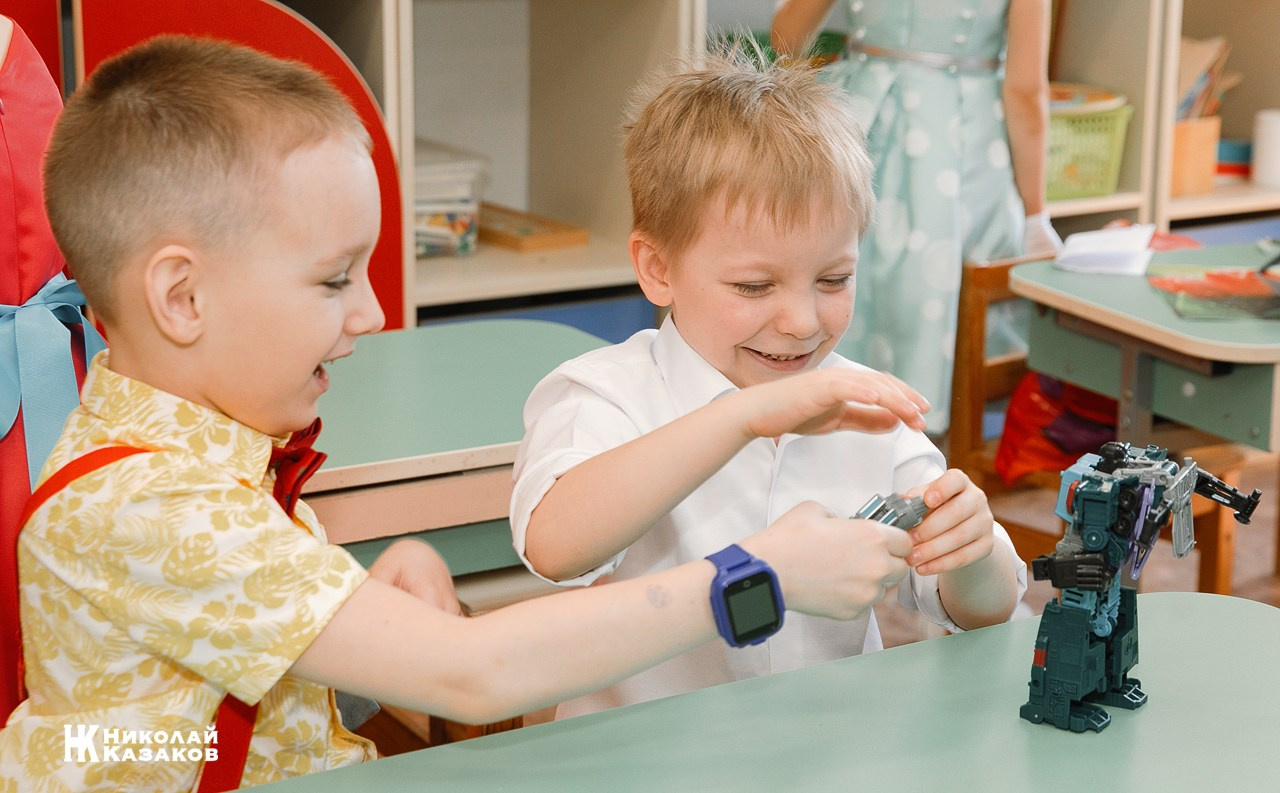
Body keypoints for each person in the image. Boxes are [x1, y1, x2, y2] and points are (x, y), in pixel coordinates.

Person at [0, 36, 932, 792]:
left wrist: (358, 617)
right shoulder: (155, 506)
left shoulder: (183, 453)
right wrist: (754, 573)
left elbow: (177, 732)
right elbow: (473, 674)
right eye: (333, 280)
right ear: (182, 297)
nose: (369, 313)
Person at [511, 46, 1027, 721]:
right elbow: (556, 545)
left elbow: (983, 609)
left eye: (835, 279)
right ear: (658, 268)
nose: (802, 320)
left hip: (824, 758)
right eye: (754, 285)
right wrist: (745, 415)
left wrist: (973, 547)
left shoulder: (866, 407)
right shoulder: (602, 394)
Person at [771, 0, 1062, 433]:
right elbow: (1024, 91)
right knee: (945, 295)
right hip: (959, 138)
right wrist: (1037, 215)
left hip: (859, 120)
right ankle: (920, 441)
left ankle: (823, 417)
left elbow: (785, 38)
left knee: (839, 274)